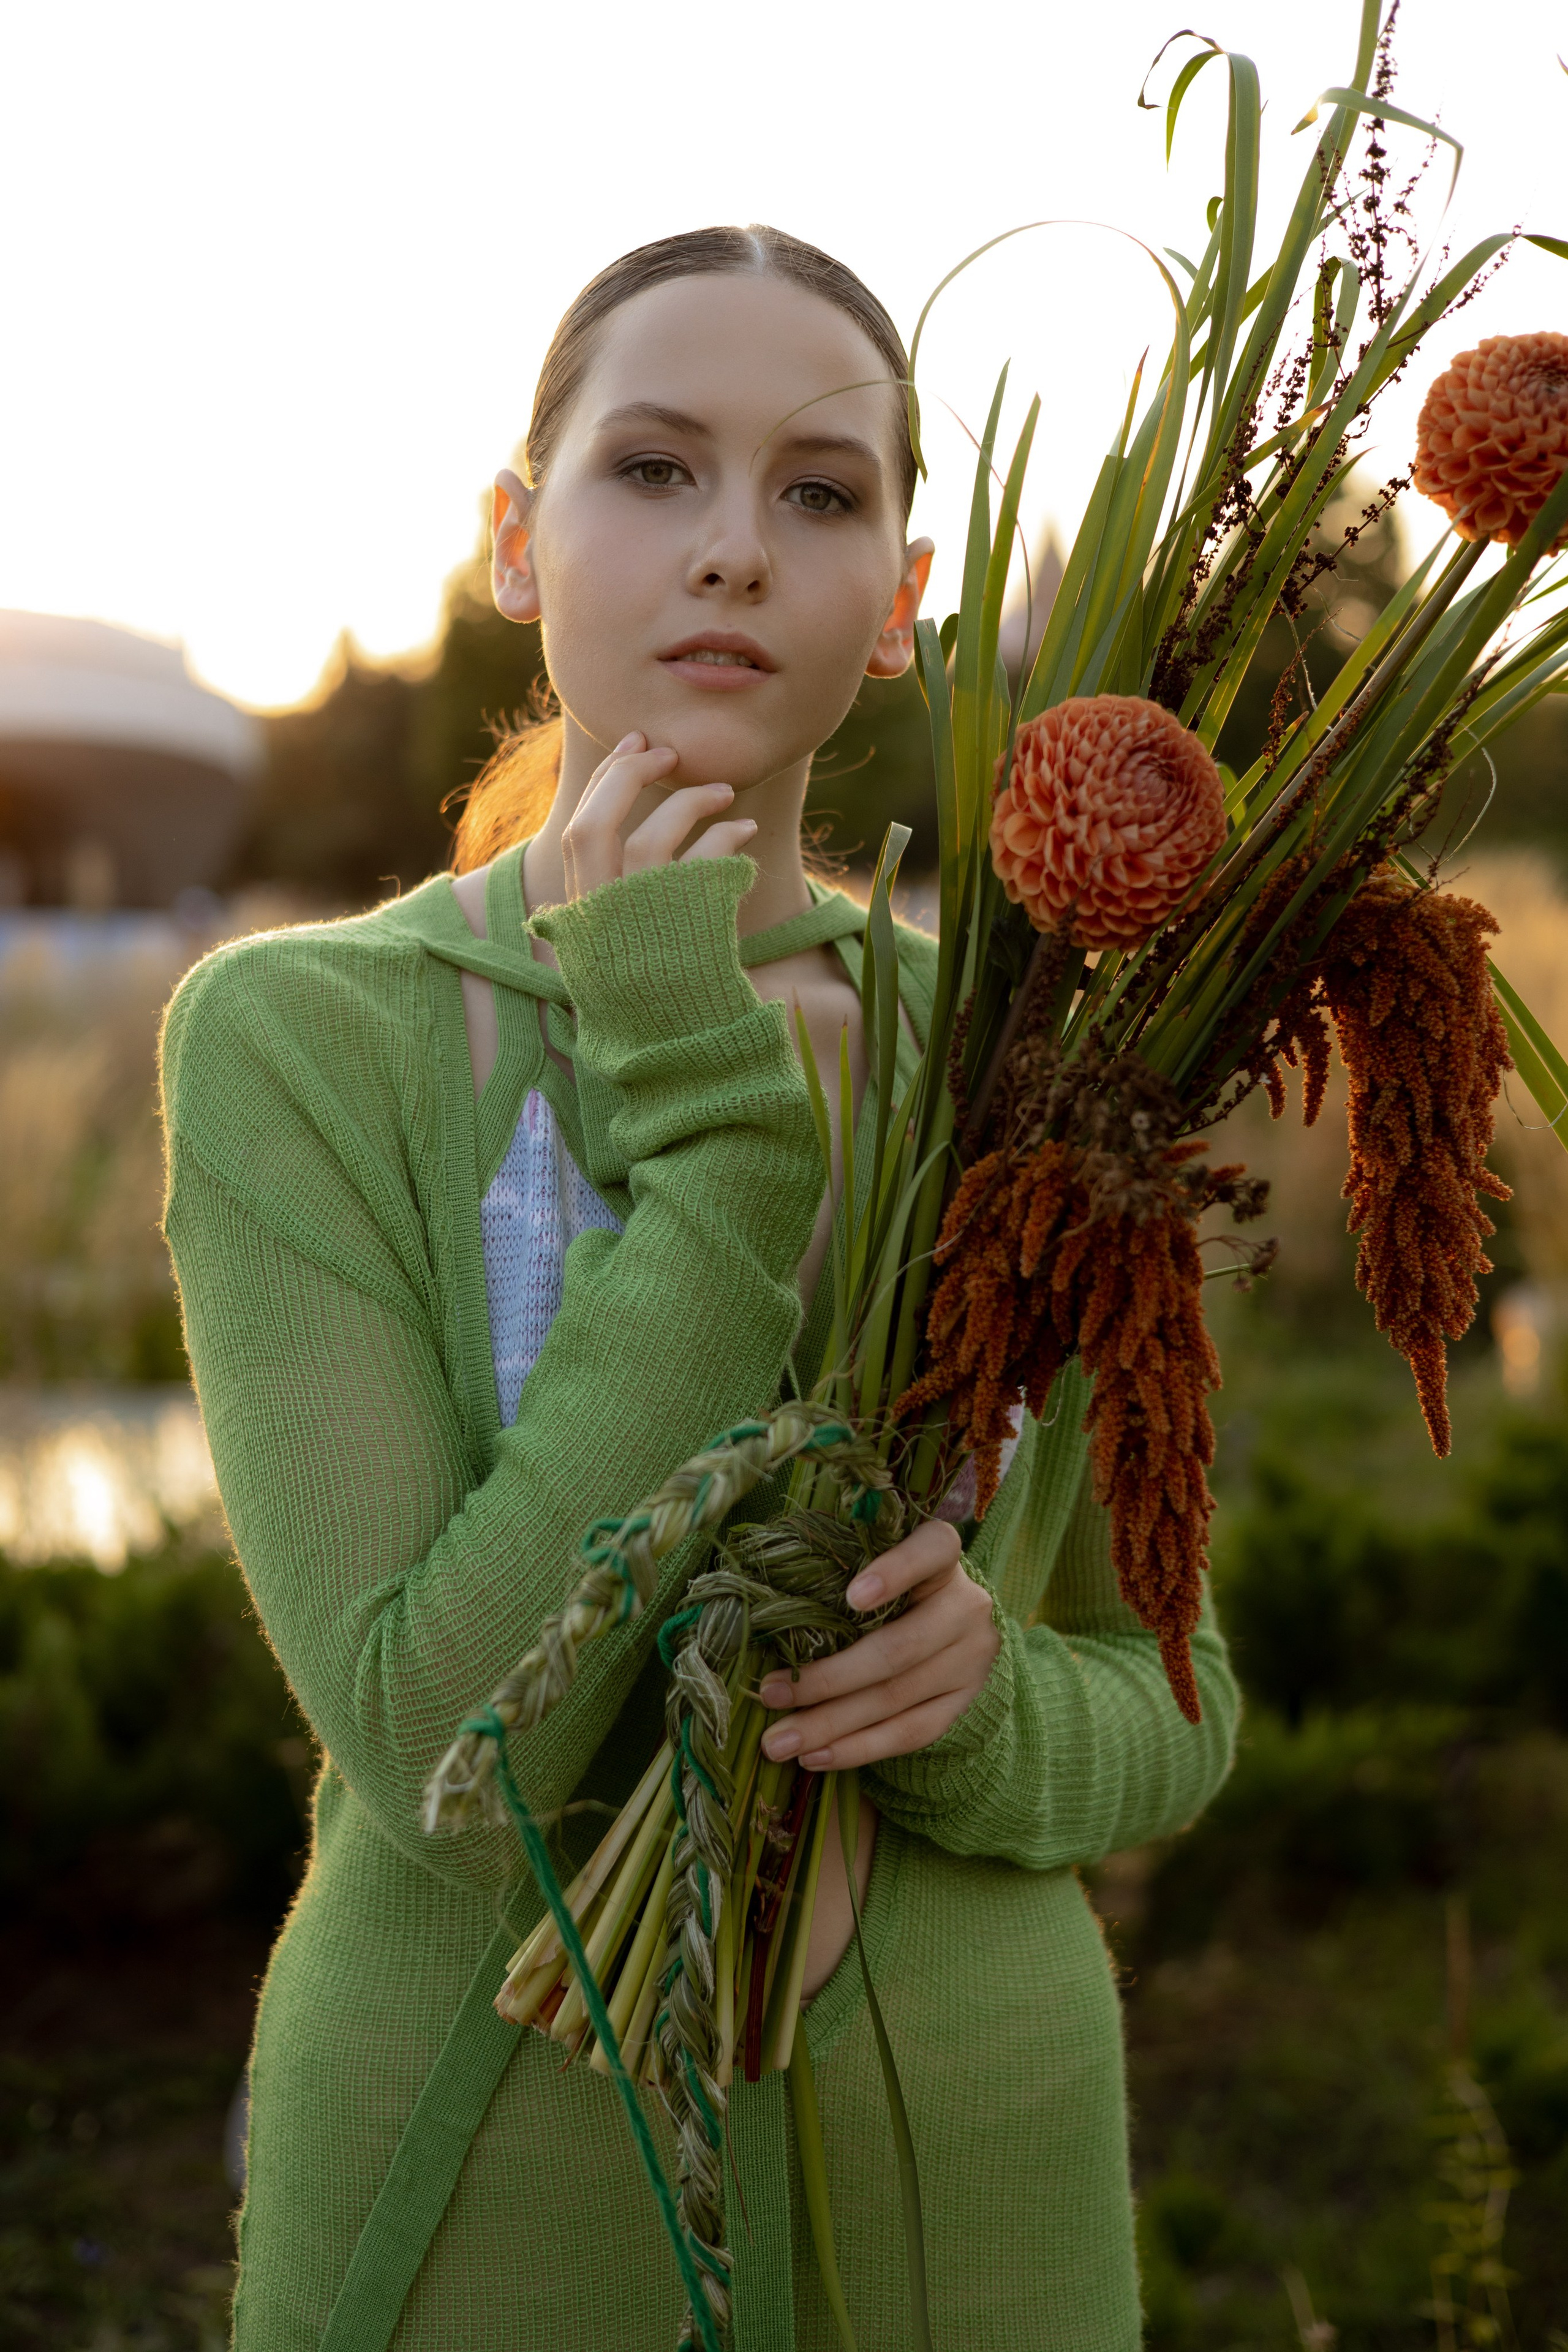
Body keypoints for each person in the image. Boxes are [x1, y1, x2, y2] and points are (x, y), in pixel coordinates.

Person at [159, 223, 1239, 2352]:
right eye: (655, 469)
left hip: (978, 2185)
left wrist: (982, 1707)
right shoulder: (296, 1041)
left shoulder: (1044, 1065)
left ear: (907, 601)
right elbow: (432, 1730)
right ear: (513, 537)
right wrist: (728, 1140)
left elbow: (1173, 1702)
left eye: (820, 494)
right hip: (483, 2184)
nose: (735, 550)